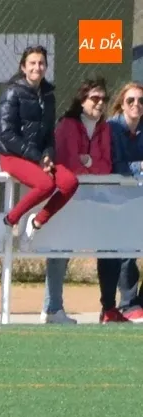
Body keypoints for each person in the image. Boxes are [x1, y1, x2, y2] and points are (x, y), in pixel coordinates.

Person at [0, 45, 79, 250]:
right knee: (46, 184)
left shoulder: (48, 96)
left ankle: (36, 223)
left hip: (39, 157)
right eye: (32, 63)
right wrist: (38, 157)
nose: (37, 67)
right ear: (23, 67)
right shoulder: (12, 93)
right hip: (10, 154)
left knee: (70, 182)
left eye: (41, 63)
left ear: (46, 67)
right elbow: (6, 134)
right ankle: (7, 222)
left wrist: (47, 156)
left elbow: (49, 134)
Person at [43, 78, 112, 324]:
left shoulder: (104, 128)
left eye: (104, 99)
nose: (100, 103)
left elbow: (106, 166)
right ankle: (53, 308)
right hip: (64, 197)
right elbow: (70, 164)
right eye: (94, 98)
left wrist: (89, 162)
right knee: (59, 250)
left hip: (91, 198)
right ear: (82, 100)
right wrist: (91, 164)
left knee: (73, 249)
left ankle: (53, 308)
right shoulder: (67, 125)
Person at [101, 82, 143, 323]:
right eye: (131, 100)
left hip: (138, 198)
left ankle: (134, 303)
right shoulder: (111, 128)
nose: (136, 105)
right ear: (122, 104)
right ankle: (120, 305)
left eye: (141, 101)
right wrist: (140, 166)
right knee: (120, 252)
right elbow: (114, 164)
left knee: (132, 249)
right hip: (112, 198)